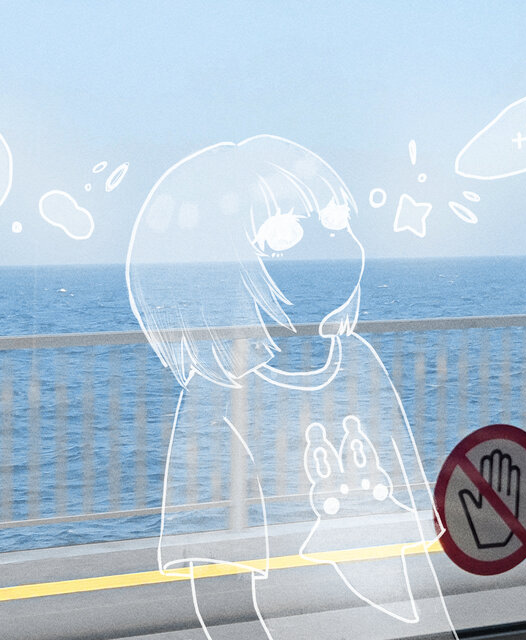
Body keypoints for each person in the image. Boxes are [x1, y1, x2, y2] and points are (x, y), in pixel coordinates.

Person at [126, 135, 456, 640]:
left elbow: (414, 539)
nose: (334, 247)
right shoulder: (214, 396)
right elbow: (217, 579)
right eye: (285, 236)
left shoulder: (359, 361)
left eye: (337, 223)